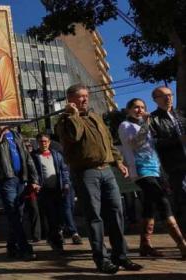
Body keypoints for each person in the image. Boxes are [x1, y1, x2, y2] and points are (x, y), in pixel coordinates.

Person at [55, 84, 142, 274]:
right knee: (95, 216)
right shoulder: (63, 121)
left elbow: (108, 141)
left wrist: (118, 161)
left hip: (107, 171)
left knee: (116, 213)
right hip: (86, 172)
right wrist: (72, 115)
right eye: (80, 97)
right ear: (70, 100)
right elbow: (75, 135)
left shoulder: (95, 116)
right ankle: (101, 259)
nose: (85, 99)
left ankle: (121, 256)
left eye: (86, 96)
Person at [118, 98, 186, 258]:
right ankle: (182, 244)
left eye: (142, 107)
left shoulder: (144, 126)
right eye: (135, 107)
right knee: (163, 202)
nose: (140, 110)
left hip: (155, 170)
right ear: (128, 110)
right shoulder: (125, 125)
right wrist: (145, 124)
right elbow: (135, 144)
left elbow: (153, 149)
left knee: (149, 207)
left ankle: (145, 245)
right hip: (141, 171)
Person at [0, 126, 39, 260]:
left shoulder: (17, 136)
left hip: (21, 179)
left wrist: (34, 179)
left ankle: (12, 247)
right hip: (6, 179)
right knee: (13, 212)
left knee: (18, 215)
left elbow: (27, 157)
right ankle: (24, 248)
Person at [32, 134, 82, 253]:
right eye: (41, 141)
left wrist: (65, 183)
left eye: (45, 141)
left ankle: (56, 238)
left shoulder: (56, 155)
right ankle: (56, 241)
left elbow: (64, 170)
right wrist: (34, 183)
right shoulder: (34, 156)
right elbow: (32, 172)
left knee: (60, 215)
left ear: (49, 142)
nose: (43, 144)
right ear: (37, 143)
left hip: (58, 189)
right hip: (44, 191)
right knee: (51, 216)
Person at [149, 86, 186, 234]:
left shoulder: (181, 115)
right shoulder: (153, 119)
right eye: (163, 96)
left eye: (170, 95)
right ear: (155, 100)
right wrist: (177, 140)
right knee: (182, 200)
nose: (168, 98)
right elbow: (154, 143)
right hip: (174, 167)